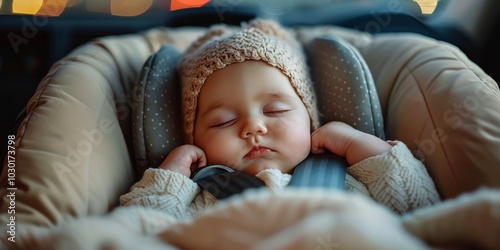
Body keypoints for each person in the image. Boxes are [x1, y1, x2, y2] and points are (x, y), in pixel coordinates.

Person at [120, 19, 440, 221]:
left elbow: (418, 206)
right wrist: (171, 177)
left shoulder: (350, 181)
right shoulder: (195, 201)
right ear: (195, 140)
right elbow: (135, 234)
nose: (254, 127)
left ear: (311, 121)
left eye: (275, 111)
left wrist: (361, 146)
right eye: (223, 121)